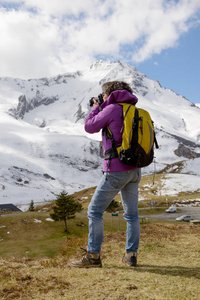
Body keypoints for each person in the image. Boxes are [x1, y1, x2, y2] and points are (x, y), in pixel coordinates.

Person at [71, 81, 141, 268]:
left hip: (116, 170)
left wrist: (95, 108)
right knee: (132, 215)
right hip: (135, 170)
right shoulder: (135, 110)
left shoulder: (112, 109)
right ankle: (131, 255)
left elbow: (90, 126)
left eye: (104, 94)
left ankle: (93, 257)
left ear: (110, 93)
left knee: (94, 211)